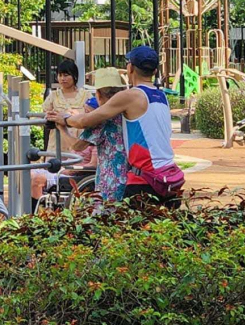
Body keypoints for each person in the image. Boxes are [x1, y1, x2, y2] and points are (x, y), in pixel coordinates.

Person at [47, 45, 183, 207]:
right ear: (154, 71)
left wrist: (65, 119)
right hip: (166, 176)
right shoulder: (161, 96)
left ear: (130, 68)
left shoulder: (130, 96)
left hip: (143, 179)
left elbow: (85, 122)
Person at [77, 67, 129, 205]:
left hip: (109, 182)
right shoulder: (129, 112)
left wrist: (62, 126)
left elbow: (77, 146)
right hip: (131, 179)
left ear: (98, 94)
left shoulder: (101, 118)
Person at [40, 62, 90, 162]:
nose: (62, 78)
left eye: (66, 75)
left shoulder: (86, 95)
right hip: (57, 144)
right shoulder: (54, 95)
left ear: (74, 76)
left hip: (78, 143)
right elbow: (42, 116)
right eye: (60, 75)